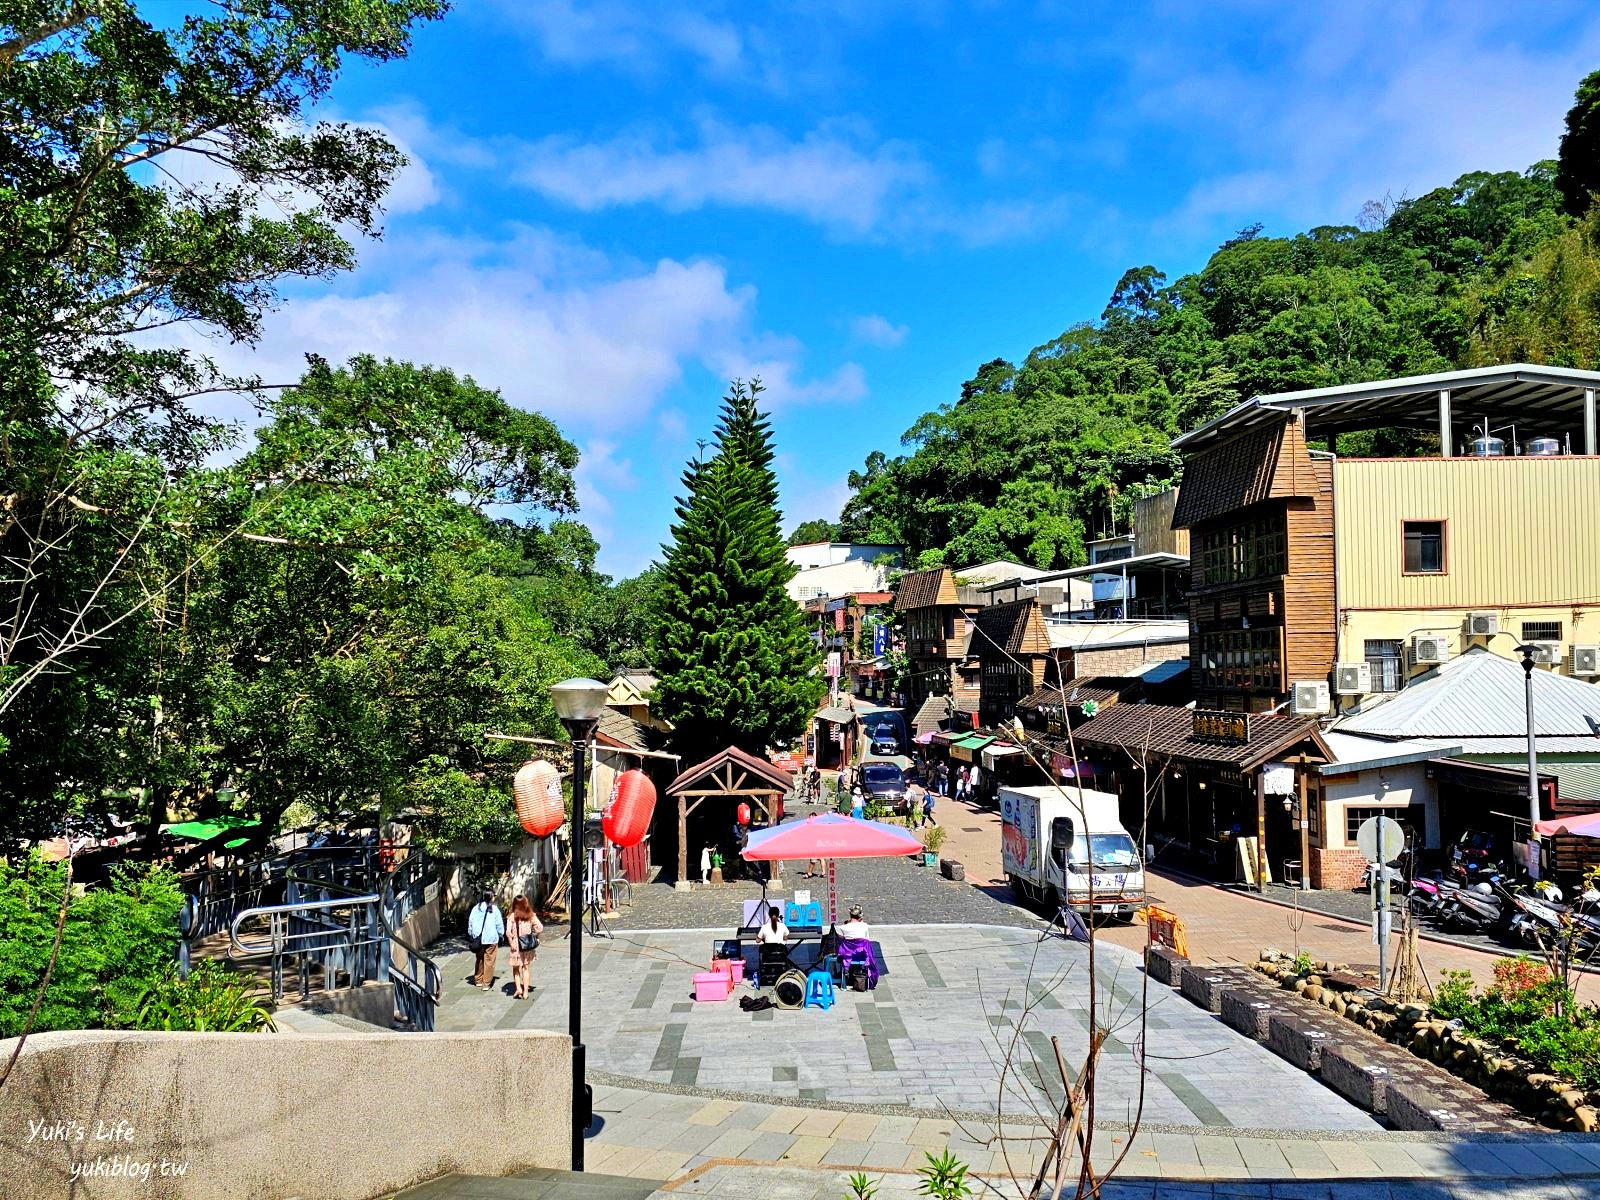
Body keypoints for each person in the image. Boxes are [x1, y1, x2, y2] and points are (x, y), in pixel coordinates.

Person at [506, 894, 543, 1000]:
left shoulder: (511, 916)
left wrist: (511, 942)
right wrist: (537, 938)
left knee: (515, 968)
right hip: (526, 945)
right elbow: (540, 928)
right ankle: (526, 992)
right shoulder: (531, 915)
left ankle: (518, 988)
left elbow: (508, 932)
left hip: (516, 945)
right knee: (526, 968)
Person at [467, 889, 504, 990]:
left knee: (479, 959)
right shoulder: (494, 909)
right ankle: (486, 983)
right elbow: (499, 925)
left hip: (477, 938)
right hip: (491, 938)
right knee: (489, 960)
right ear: (491, 897)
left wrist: (472, 934)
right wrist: (501, 934)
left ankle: (478, 980)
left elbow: (470, 923)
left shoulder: (476, 908)